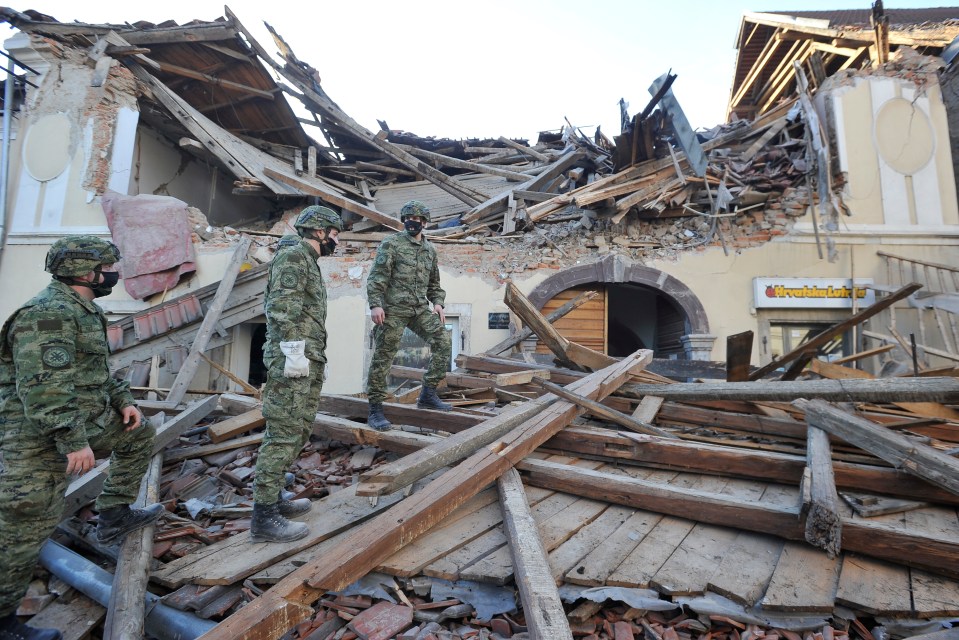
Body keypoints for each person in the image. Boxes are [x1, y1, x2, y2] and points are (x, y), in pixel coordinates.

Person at [0, 236, 162, 640]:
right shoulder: (47, 315)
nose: (114, 274)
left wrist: (124, 401)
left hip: (81, 419)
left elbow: (97, 373)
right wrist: (73, 442)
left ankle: (113, 515)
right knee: (24, 524)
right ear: (86, 272)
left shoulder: (84, 311)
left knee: (139, 433)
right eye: (108, 267)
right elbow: (45, 389)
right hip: (35, 436)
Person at [251, 205, 342, 543]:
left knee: (299, 428)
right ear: (318, 232)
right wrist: (293, 352)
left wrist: (313, 355)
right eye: (334, 235)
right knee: (284, 433)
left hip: (306, 358)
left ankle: (273, 500)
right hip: (292, 360)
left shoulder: (307, 260)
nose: (336, 241)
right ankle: (263, 518)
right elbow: (281, 307)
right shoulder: (293, 257)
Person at [366, 200, 452, 431]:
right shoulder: (391, 244)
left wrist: (438, 303)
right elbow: (377, 277)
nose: (412, 223)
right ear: (404, 221)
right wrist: (375, 305)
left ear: (424, 223)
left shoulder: (429, 250)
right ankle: (375, 409)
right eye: (408, 219)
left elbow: (435, 284)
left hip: (418, 309)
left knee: (443, 341)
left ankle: (428, 393)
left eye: (417, 220)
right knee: (384, 356)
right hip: (392, 309)